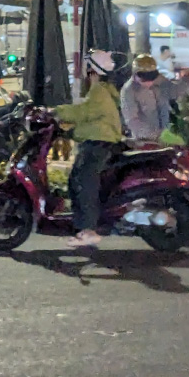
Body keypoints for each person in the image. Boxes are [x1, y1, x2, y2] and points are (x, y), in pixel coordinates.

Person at [52, 49, 124, 249]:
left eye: (87, 67)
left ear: (94, 69)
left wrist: (56, 111)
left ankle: (89, 229)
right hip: (97, 142)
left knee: (85, 182)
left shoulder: (99, 91)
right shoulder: (102, 90)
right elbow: (90, 118)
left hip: (97, 144)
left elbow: (84, 112)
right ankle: (81, 226)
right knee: (76, 179)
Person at [120, 54, 188, 143]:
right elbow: (132, 121)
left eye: (152, 78)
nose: (149, 83)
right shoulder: (128, 91)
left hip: (165, 134)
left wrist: (186, 80)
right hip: (145, 141)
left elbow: (173, 92)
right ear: (136, 74)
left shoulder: (158, 80)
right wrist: (157, 135)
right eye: (145, 80)